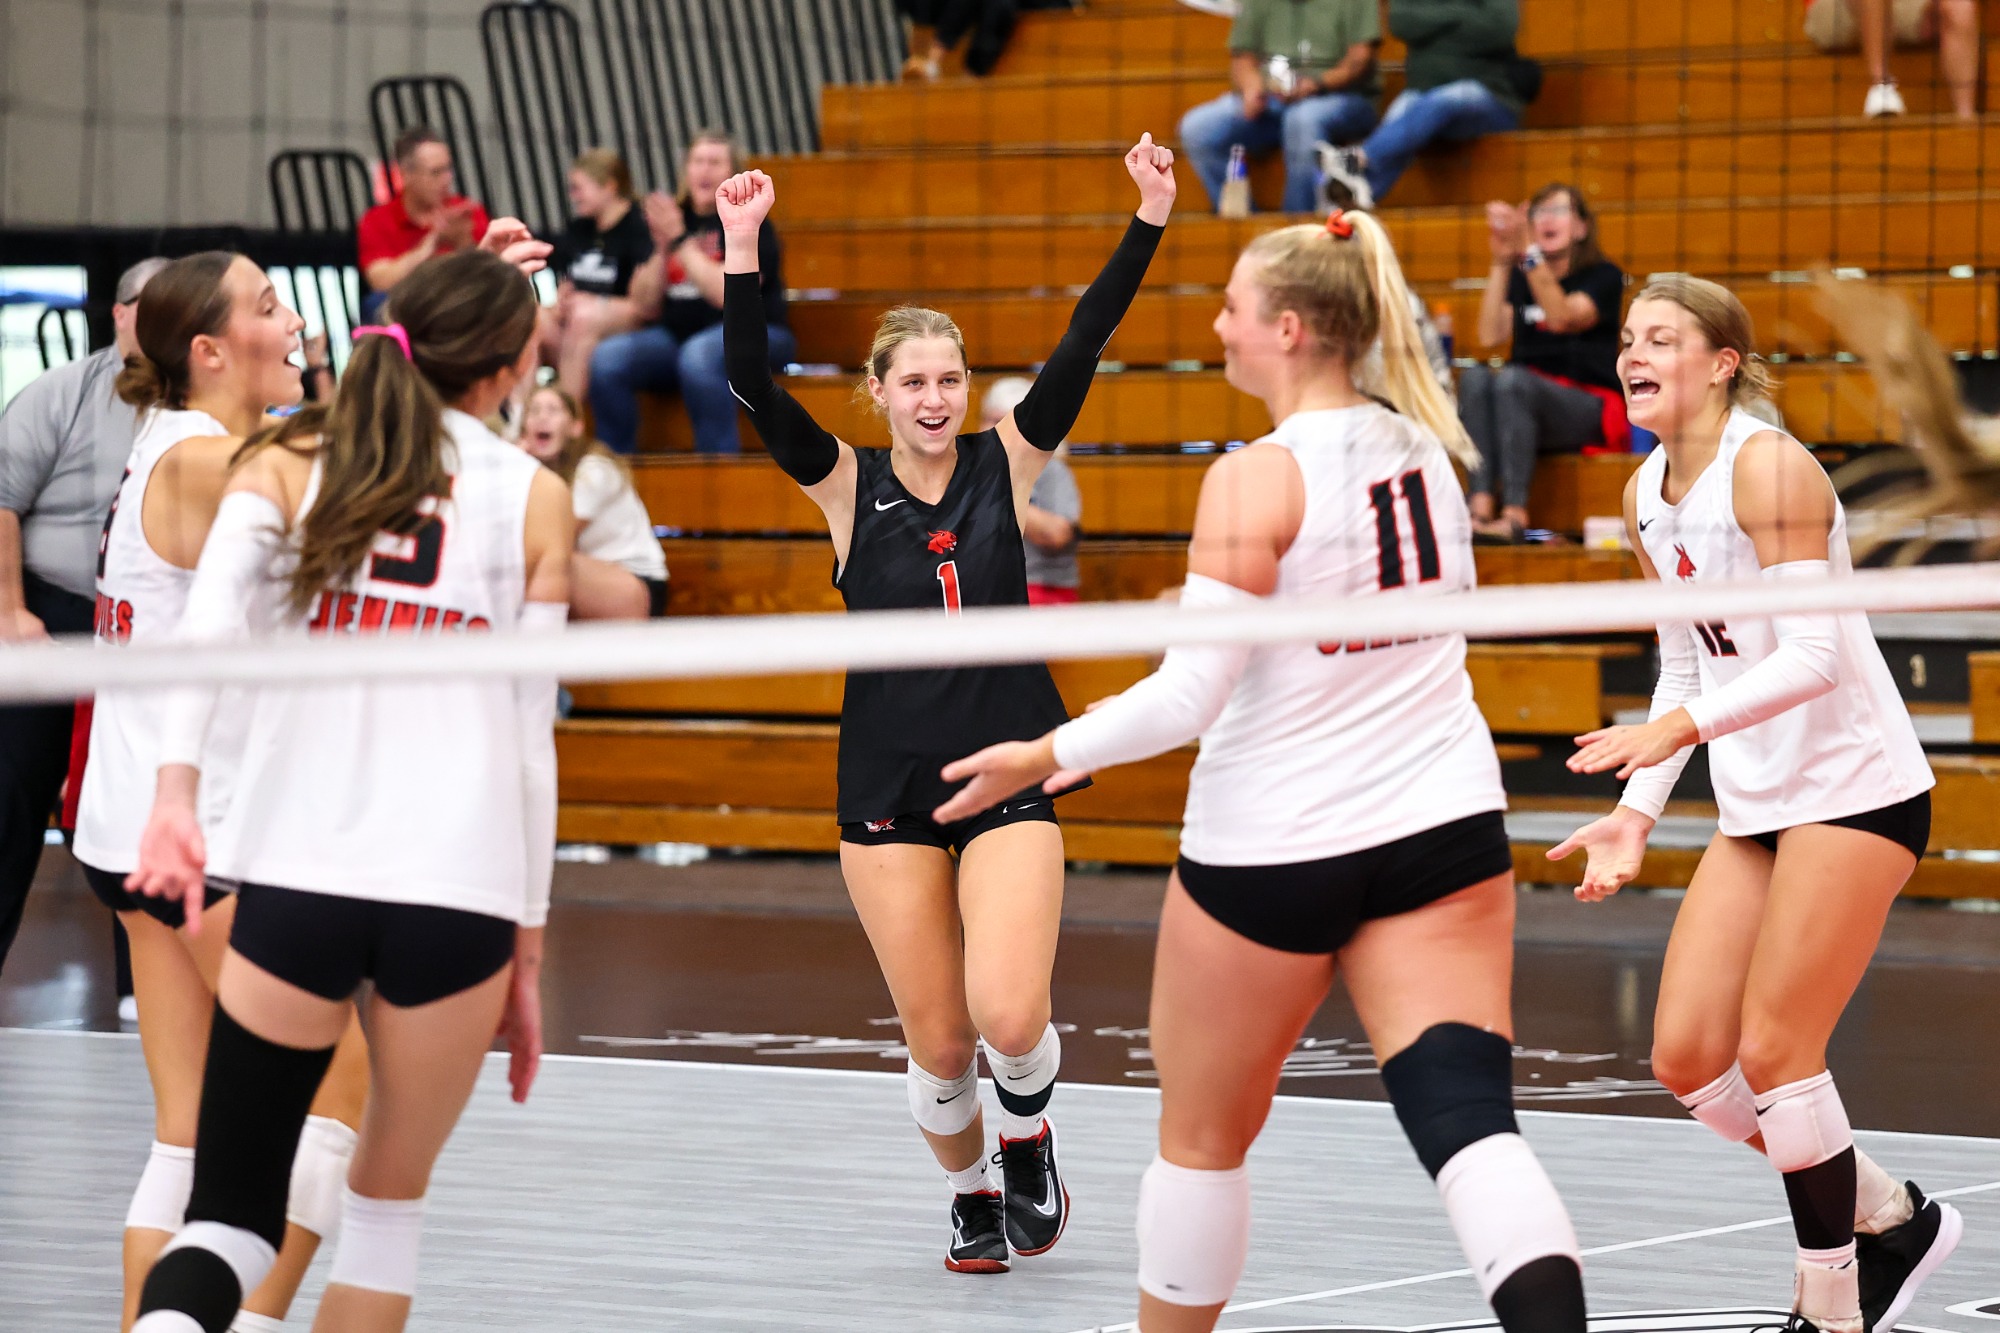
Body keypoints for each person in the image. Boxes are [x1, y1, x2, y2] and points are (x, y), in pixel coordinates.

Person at [935, 207, 1587, 1333]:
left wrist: (1044, 752)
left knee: (1198, 1144)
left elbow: (1192, 696)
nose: (1218, 323)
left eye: (1233, 305)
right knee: (1471, 1125)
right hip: (1441, 832)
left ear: (1287, 329)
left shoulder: (1255, 477)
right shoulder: (1427, 452)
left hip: (1273, 848)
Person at [721, 135, 1176, 1274]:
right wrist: (738, 247)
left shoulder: (1006, 463)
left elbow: (1084, 340)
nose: (934, 397)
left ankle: (1027, 1138)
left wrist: (1149, 220)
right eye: (913, 380)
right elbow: (747, 383)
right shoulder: (841, 487)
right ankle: (972, 1189)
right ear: (876, 392)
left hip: (1010, 771)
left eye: (949, 378)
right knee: (936, 1043)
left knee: (1008, 1017)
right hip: (884, 790)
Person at [124, 247, 566, 1333]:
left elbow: (205, 645)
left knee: (227, 1219)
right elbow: (528, 746)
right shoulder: (533, 498)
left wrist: (173, 795)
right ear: (505, 373)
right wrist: (528, 946)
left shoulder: (281, 461)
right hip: (457, 896)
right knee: (383, 1218)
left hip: (299, 876)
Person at [1548, 275, 1958, 1333]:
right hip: (1759, 800)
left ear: (1721, 362)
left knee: (1778, 1054)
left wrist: (1676, 736)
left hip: (1856, 791)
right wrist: (1636, 815)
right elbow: (1681, 666)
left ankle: (1829, 1304)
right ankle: (1884, 1211)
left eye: (1661, 339)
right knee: (1686, 1056)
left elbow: (1815, 655)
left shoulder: (1767, 467)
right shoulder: (1643, 495)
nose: (1632, 353)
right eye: (1627, 337)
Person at [75, 250, 373, 1333]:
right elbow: (350, 508)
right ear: (207, 350)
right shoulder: (210, 465)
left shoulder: (177, 442)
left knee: (188, 1132)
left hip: (128, 827)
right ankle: (244, 1324)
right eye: (265, 305)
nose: (291, 320)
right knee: (337, 1086)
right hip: (196, 832)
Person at [0, 255, 165, 977]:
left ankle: (143, 992)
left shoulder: (202, 406)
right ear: (119, 314)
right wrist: (10, 610)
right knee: (12, 793)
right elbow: (1, 498)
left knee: (138, 803)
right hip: (51, 614)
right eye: (147, 307)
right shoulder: (60, 392)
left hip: (146, 625)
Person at [590, 130, 797, 455]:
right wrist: (660, 248)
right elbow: (644, 306)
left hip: (755, 334)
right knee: (606, 359)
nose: (704, 170)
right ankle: (613, 468)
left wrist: (681, 242)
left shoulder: (750, 220)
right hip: (678, 335)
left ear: (733, 172)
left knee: (699, 357)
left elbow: (730, 298)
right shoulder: (674, 219)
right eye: (698, 161)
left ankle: (717, 470)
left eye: (715, 162)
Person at [1460, 183, 1627, 541]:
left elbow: (1562, 317)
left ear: (1582, 227)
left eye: (1559, 211)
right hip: (1519, 402)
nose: (1547, 219)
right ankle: (1479, 508)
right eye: (1539, 212)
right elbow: (1489, 336)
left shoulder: (1604, 276)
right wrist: (1502, 262)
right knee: (1474, 378)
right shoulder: (1522, 276)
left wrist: (1529, 255)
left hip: (1587, 404)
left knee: (1513, 381)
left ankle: (1515, 515)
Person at [1178, 0, 1382, 215]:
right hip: (1272, 99)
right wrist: (1252, 88)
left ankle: (1295, 224)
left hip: (1341, 97)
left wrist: (1316, 83)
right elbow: (1242, 57)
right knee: (1198, 127)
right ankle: (1244, 223)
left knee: (1302, 119)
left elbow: (1359, 59)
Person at [1317, 0, 1527, 208]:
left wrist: (1435, 19)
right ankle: (1346, 211)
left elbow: (1501, 29)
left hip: (1488, 95)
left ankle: (1359, 158)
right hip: (1420, 96)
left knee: (1445, 99)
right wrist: (1463, 13)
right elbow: (1401, 22)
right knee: (1398, 123)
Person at [518, 385, 669, 617]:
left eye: (553, 410)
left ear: (576, 427)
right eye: (534, 411)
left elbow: (556, 536)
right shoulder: (533, 474)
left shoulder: (596, 468)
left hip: (635, 582)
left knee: (548, 558)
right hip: (586, 578)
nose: (542, 418)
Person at [542, 148, 654, 400]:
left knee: (584, 316)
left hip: (626, 313)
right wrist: (562, 299)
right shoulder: (581, 227)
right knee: (535, 319)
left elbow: (642, 299)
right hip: (580, 316)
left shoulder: (638, 226)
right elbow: (568, 278)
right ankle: (518, 419)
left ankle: (568, 415)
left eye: (578, 188)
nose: (573, 196)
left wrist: (591, 303)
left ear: (609, 186)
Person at [356, 126, 492, 321]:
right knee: (377, 304)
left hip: (460, 304)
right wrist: (430, 245)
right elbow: (380, 282)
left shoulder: (467, 212)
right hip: (409, 310)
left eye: (448, 169)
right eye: (436, 172)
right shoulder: (377, 220)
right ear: (406, 174)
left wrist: (463, 244)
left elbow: (489, 275)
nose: (446, 180)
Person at [979, 376, 1080, 604]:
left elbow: (1057, 534)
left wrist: (999, 490)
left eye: (1004, 422)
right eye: (990, 419)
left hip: (1040, 588)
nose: (994, 430)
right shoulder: (969, 467)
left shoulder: (1051, 470)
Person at [1803, 0, 1979, 120]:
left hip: (1899, 7)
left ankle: (1965, 121)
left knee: (1960, 5)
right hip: (1835, 10)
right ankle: (1881, 87)